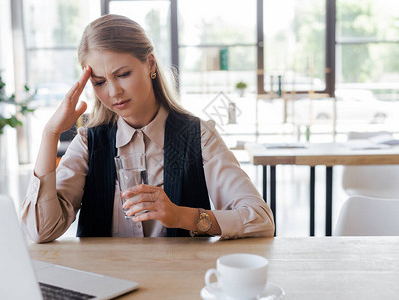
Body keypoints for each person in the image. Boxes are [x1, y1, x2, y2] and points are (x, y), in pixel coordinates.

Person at [21, 14, 274, 243]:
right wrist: (50, 134)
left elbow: (261, 220)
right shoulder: (89, 143)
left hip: (179, 284)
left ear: (150, 64)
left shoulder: (199, 136)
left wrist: (182, 216)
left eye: (123, 74)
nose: (113, 92)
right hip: (107, 283)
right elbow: (40, 231)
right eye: (99, 82)